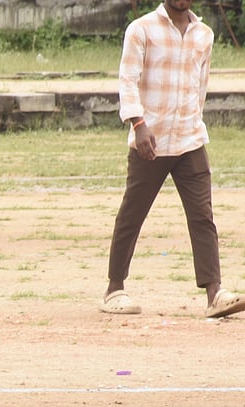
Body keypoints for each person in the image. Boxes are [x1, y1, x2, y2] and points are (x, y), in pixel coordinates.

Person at [102, 0, 245, 318]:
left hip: (189, 139)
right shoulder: (141, 29)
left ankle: (215, 294)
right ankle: (114, 289)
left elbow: (200, 88)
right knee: (132, 214)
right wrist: (138, 124)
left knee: (202, 216)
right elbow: (128, 80)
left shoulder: (204, 34)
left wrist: (194, 122)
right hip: (150, 141)